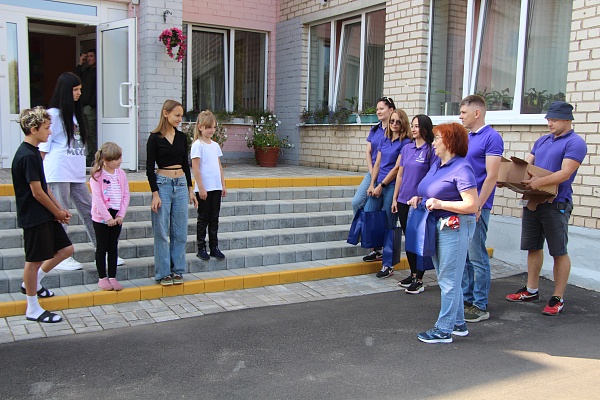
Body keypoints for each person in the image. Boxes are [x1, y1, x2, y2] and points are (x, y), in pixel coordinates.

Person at [505, 101, 587, 316]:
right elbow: (526, 166)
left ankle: (557, 298)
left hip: (556, 203)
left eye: (554, 120)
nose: (550, 123)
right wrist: (508, 179)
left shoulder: (575, 143)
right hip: (533, 201)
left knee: (559, 251)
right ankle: (531, 290)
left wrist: (539, 182)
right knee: (533, 247)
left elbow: (565, 173)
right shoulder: (542, 140)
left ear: (567, 120)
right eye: (548, 119)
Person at [408, 122, 478, 343]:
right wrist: (420, 198)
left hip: (455, 226)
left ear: (449, 142)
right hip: (438, 224)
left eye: (437, 138)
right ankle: (458, 323)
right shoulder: (438, 164)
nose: (433, 143)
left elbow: (472, 205)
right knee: (447, 278)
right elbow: (429, 189)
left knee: (449, 280)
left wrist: (440, 204)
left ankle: (443, 330)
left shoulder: (462, 168)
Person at [12, 107, 74, 323]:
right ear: (33, 129)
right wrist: (56, 212)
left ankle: (32, 283)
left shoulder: (34, 153)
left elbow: (45, 187)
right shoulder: (27, 156)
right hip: (34, 216)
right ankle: (32, 308)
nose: (50, 132)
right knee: (33, 261)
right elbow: (36, 192)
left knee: (66, 249)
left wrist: (59, 209)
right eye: (47, 128)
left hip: (45, 214)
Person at [39, 71, 94, 271]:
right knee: (61, 213)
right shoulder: (53, 115)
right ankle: (60, 256)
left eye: (80, 89)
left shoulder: (74, 114)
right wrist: (37, 177)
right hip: (58, 172)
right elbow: (42, 148)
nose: (79, 93)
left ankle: (103, 251)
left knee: (90, 210)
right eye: (75, 89)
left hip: (75, 173)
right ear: (65, 91)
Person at [459, 95, 504, 323]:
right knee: (466, 255)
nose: (460, 117)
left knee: (477, 256)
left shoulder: (492, 137)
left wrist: (478, 205)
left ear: (477, 113)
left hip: (478, 206)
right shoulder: (467, 137)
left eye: (463, 113)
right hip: (464, 204)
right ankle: (466, 299)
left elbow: (492, 176)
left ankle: (480, 305)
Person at [147, 99, 197, 286]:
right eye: (177, 115)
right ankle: (163, 273)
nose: (179, 119)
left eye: (181, 116)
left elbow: (185, 163)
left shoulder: (182, 137)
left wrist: (190, 188)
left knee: (180, 230)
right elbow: (149, 168)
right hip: (163, 185)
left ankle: (178, 270)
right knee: (161, 230)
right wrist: (155, 194)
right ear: (165, 113)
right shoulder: (154, 138)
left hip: (181, 184)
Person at [392, 114, 436, 294]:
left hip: (419, 202)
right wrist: (395, 198)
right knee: (409, 238)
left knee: (419, 240)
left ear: (425, 128)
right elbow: (400, 174)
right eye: (413, 125)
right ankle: (412, 273)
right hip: (404, 199)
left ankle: (419, 278)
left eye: (417, 126)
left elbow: (433, 177)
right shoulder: (407, 148)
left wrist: (423, 197)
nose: (414, 129)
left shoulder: (431, 150)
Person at [365, 109, 411, 278]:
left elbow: (397, 168)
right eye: (392, 121)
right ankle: (376, 249)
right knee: (369, 213)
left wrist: (382, 185)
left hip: (391, 186)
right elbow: (377, 164)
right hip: (378, 183)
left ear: (403, 123)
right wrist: (372, 184)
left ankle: (388, 264)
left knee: (389, 223)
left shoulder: (405, 143)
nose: (394, 124)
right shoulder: (385, 138)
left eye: (398, 121)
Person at [351, 97, 395, 263]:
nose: (378, 112)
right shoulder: (375, 129)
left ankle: (377, 248)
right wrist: (372, 172)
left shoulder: (395, 130)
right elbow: (368, 152)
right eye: (377, 109)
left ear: (391, 110)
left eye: (381, 108)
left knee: (381, 213)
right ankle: (367, 233)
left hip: (387, 177)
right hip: (373, 173)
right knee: (357, 202)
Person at [90, 142, 130, 291]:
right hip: (101, 217)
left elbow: (126, 194)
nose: (119, 161)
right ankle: (102, 277)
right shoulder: (97, 176)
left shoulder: (121, 174)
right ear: (105, 160)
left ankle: (112, 276)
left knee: (113, 246)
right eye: (116, 159)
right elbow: (98, 199)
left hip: (116, 215)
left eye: (120, 158)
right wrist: (108, 218)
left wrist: (120, 215)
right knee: (102, 247)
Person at [191, 110, 227, 261]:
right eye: (208, 127)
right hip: (204, 189)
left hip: (216, 187)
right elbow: (196, 168)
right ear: (200, 127)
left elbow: (219, 166)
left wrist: (223, 184)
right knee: (203, 219)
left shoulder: (215, 145)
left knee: (214, 218)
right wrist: (201, 187)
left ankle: (214, 247)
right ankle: (201, 247)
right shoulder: (197, 145)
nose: (211, 130)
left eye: (213, 127)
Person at [75, 49, 97, 167]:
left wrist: (91, 104)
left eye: (91, 56)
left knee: (92, 133)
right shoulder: (87, 71)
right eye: (87, 56)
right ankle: (89, 156)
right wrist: (80, 63)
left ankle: (94, 156)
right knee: (85, 132)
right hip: (83, 106)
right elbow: (76, 78)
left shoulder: (98, 71)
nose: (89, 58)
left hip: (90, 107)